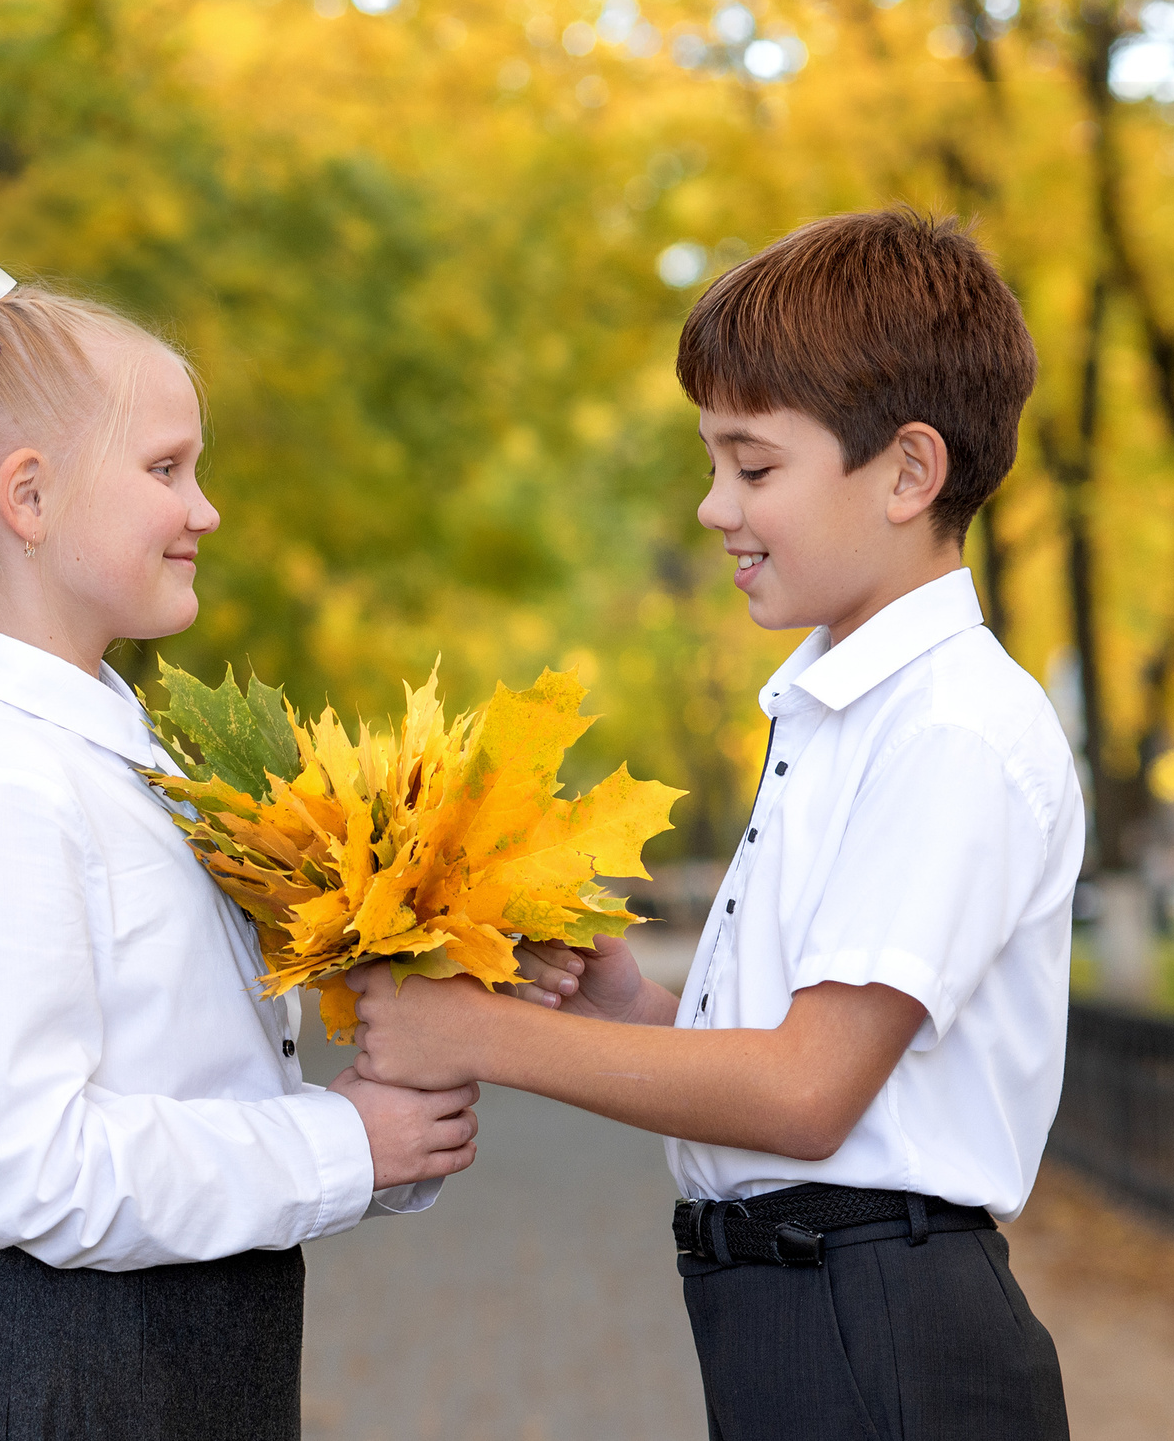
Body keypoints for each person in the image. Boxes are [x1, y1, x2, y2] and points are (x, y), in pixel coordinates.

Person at [349, 207, 1081, 1440]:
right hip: (799, 1309)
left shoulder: (951, 727)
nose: (712, 508)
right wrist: (629, 1016)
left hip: (878, 1325)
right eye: (711, 465)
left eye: (753, 467)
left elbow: (805, 1092)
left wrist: (466, 1031)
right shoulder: (841, 705)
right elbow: (805, 1048)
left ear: (908, 472)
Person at [0, 232, 478, 1441]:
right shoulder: (1, 786)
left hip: (174, 1356)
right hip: (77, 1376)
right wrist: (338, 1142)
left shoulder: (110, 755)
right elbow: (30, 1163)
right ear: (27, 496)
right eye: (167, 468)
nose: (204, 509)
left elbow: (184, 1072)